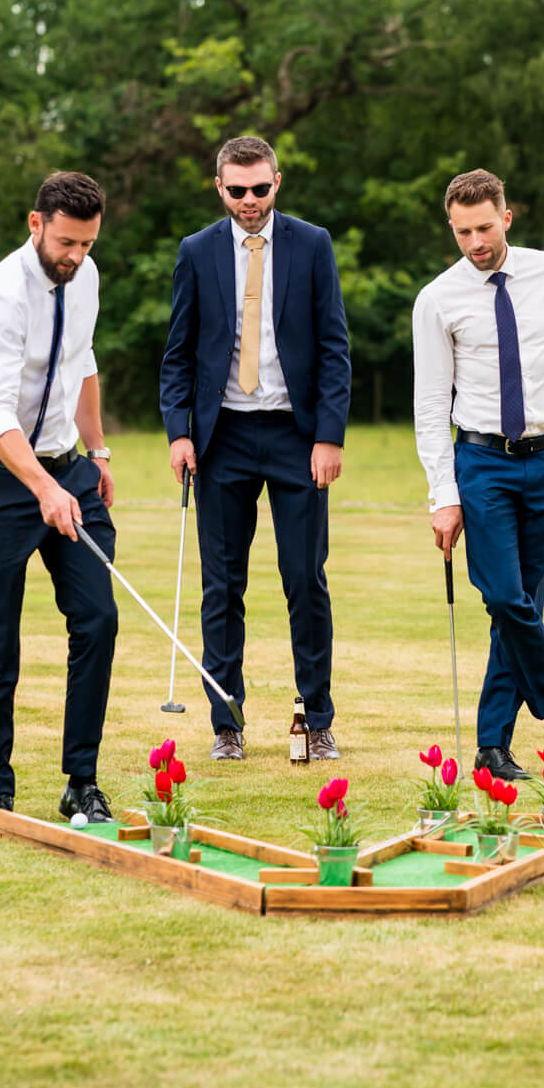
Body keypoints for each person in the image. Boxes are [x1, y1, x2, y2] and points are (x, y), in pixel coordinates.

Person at [411, 169, 544, 781]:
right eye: (463, 231)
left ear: (507, 217)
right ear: (452, 227)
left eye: (485, 227)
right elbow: (428, 405)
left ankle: (492, 746)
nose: (475, 241)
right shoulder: (437, 298)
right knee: (502, 595)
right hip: (482, 462)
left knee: (523, 604)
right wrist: (443, 495)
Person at [160, 136, 351, 761]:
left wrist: (328, 435)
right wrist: (180, 430)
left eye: (260, 189)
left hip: (297, 435)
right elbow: (178, 354)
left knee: (305, 579)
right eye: (237, 190)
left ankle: (315, 719)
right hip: (223, 438)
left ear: (277, 182)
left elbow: (332, 347)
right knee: (222, 587)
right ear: (220, 187)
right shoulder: (196, 251)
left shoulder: (313, 243)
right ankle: (227, 724)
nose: (249, 200)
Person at [0, 171, 119, 829]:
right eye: (67, 242)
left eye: (88, 243)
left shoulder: (87, 278)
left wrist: (95, 453)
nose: (76, 255)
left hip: (68, 470)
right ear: (35, 223)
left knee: (97, 621)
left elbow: (84, 361)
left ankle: (82, 783)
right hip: (0, 479)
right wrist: (41, 486)